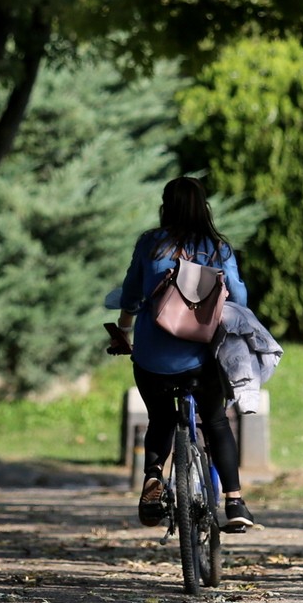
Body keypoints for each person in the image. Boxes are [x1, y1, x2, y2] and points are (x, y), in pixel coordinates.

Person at [111, 176, 256, 531]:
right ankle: (235, 502)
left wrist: (124, 329)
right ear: (203, 208)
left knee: (160, 419)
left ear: (165, 207)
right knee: (217, 422)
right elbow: (238, 299)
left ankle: (152, 479)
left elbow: (130, 295)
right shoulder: (217, 248)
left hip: (153, 357)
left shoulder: (150, 244)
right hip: (202, 358)